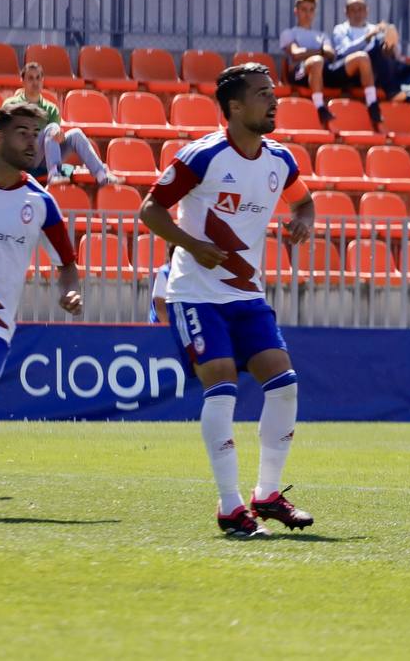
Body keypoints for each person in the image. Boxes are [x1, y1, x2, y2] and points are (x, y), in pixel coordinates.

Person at [138, 63, 317, 537]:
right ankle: (230, 505)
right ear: (235, 107)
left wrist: (303, 221)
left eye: (273, 93)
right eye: (262, 94)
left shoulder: (281, 161)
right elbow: (150, 209)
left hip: (246, 295)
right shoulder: (203, 156)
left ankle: (268, 495)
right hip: (194, 294)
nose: (273, 102)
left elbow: (304, 200)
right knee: (221, 383)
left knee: (283, 382)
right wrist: (192, 245)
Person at [0, 103, 83, 396]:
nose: (32, 141)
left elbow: (67, 264)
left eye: (36, 133)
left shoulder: (42, 203)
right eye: (22, 133)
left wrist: (70, 290)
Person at [8, 61, 116, 186]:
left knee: (76, 134)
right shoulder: (12, 105)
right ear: (22, 81)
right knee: (52, 128)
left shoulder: (51, 108)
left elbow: (54, 138)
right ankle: (54, 175)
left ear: (43, 80)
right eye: (30, 78)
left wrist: (59, 135)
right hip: (21, 158)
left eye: (38, 78)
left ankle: (101, 175)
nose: (35, 82)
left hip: (44, 162)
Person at [282, 0, 376, 127]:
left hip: (322, 71)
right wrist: (320, 52)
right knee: (317, 60)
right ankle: (320, 107)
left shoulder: (322, 35)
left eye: (311, 10)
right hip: (299, 73)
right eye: (303, 9)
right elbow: (296, 53)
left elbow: (331, 54)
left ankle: (373, 104)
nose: (307, 13)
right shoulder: (289, 33)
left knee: (359, 57)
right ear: (296, 11)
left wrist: (312, 52)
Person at [328, 0, 394, 127]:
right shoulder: (340, 29)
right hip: (348, 72)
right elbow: (343, 51)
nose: (357, 13)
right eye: (353, 9)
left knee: (383, 44)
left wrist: (390, 40)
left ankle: (392, 90)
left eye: (361, 9)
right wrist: (367, 37)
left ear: (366, 11)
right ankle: (373, 104)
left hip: (372, 73)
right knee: (363, 57)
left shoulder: (374, 29)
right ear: (346, 12)